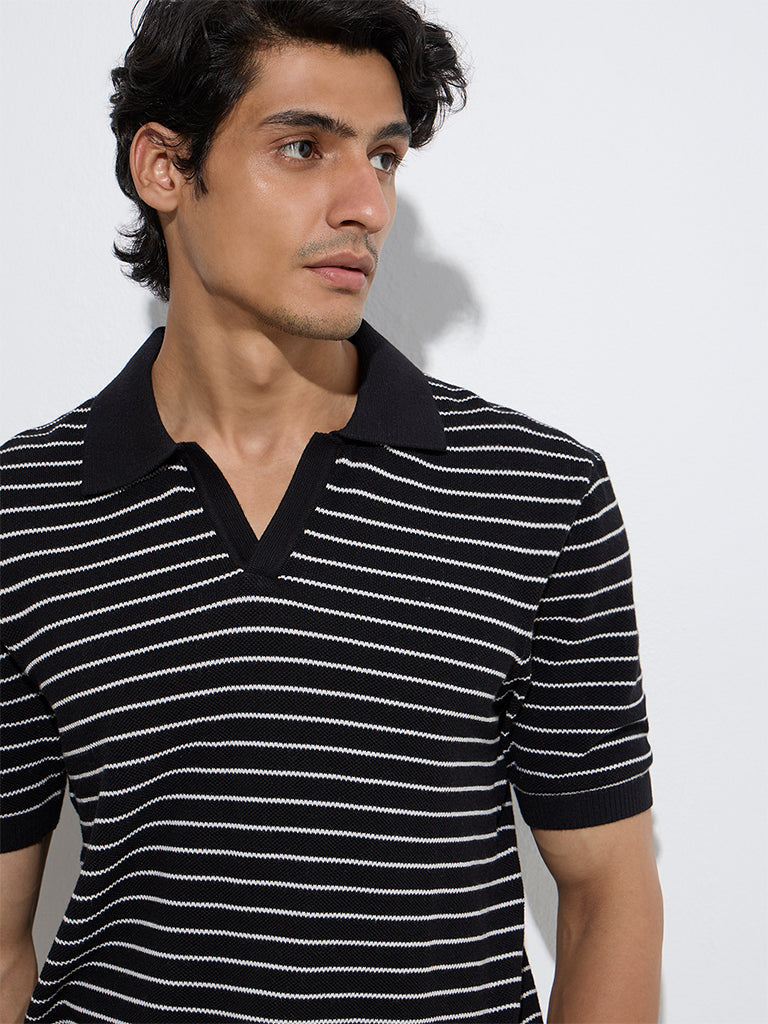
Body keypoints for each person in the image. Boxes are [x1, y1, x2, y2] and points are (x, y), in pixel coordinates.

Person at [0, 1, 663, 1021]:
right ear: (165, 167)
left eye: (385, 157)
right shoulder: (26, 511)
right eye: (304, 147)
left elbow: (609, 894)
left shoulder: (538, 494)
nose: (367, 204)